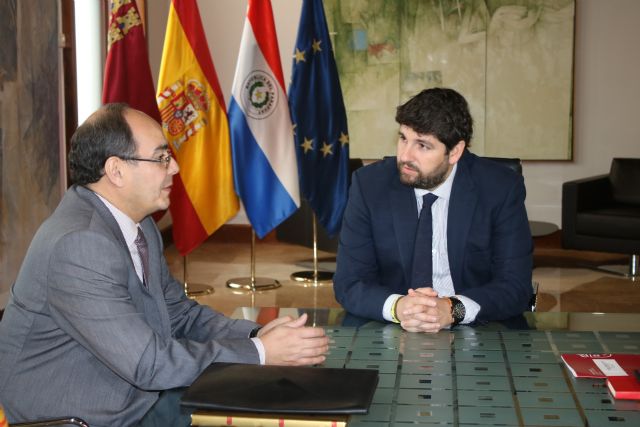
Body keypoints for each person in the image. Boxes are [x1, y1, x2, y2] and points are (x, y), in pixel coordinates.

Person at [0, 104, 328, 427]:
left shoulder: (139, 225)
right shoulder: (79, 244)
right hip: (80, 415)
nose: (174, 168)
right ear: (116, 171)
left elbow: (178, 314)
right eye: (161, 158)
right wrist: (259, 352)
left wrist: (257, 333)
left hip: (134, 397)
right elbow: (149, 364)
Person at [334, 87, 533, 332]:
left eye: (423, 146)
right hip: (394, 328)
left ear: (455, 152)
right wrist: (399, 307)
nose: (405, 156)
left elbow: (515, 286)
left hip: (475, 327)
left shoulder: (499, 188)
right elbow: (349, 282)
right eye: (403, 138)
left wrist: (451, 309)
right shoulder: (369, 186)